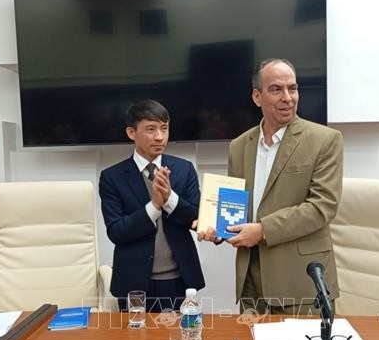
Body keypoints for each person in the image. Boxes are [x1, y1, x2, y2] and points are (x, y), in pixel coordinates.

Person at [200, 58, 344, 315]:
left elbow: (322, 207)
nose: (288, 97)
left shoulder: (325, 140)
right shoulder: (239, 146)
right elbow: (237, 208)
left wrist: (263, 230)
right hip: (250, 283)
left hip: (300, 283)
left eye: (293, 88)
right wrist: (219, 230)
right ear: (257, 97)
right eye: (276, 89)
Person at [99, 99, 205, 313]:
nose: (159, 137)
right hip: (134, 283)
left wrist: (169, 199)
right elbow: (117, 232)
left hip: (179, 280)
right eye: (151, 129)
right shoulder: (112, 177)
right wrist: (154, 206)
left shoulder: (184, 170)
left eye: (164, 129)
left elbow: (196, 217)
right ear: (131, 133)